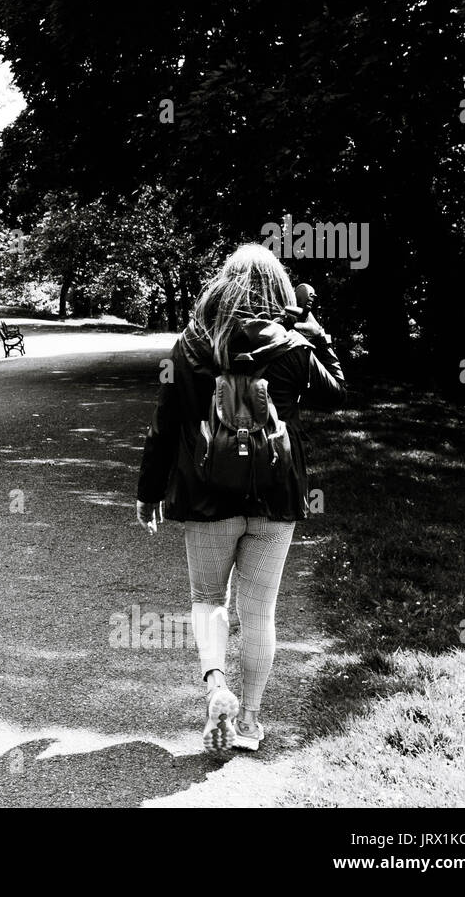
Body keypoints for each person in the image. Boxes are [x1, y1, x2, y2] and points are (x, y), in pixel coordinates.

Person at [135, 244, 346, 756]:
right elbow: (337, 391)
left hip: (206, 494)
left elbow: (164, 427)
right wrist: (315, 328)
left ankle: (216, 687)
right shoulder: (294, 344)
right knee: (260, 613)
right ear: (277, 289)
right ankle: (249, 721)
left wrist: (149, 492)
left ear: (222, 284)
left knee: (209, 601)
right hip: (276, 494)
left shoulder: (190, 347)